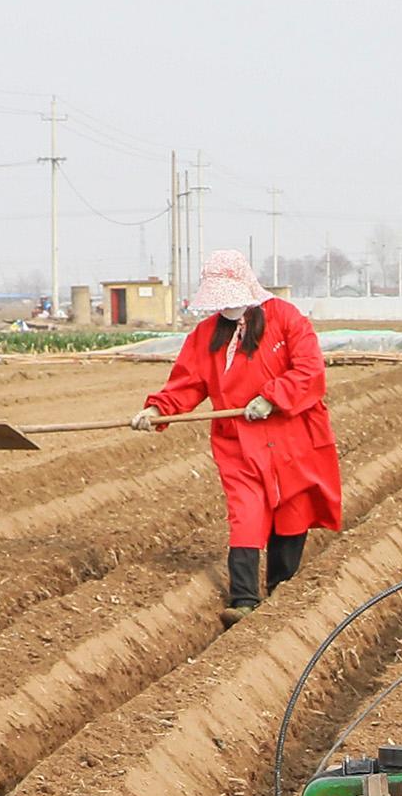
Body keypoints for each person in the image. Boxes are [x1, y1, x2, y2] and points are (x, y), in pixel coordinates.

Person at [141, 250, 341, 617]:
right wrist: (157, 410)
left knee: (292, 509)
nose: (227, 307)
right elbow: (186, 383)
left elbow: (310, 370)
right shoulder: (205, 335)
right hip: (238, 440)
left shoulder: (286, 318)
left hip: (291, 432)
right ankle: (245, 599)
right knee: (246, 512)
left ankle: (282, 590)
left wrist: (273, 397)